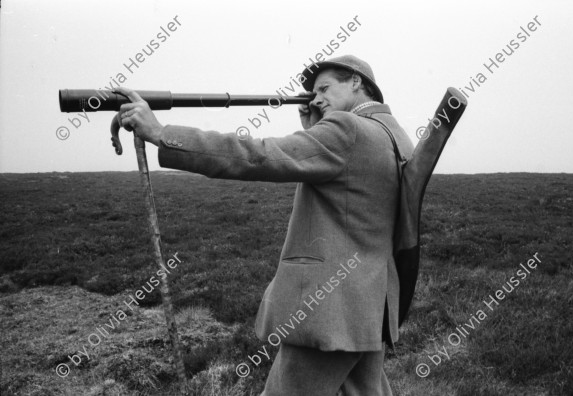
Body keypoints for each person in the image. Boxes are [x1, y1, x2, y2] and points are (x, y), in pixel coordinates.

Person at [113, 54, 414, 395]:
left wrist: (162, 133)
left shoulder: (347, 131)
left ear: (357, 82)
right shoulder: (394, 134)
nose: (315, 99)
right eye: (314, 94)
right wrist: (315, 132)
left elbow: (257, 155)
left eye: (325, 88)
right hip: (368, 303)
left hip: (329, 307)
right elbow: (350, 188)